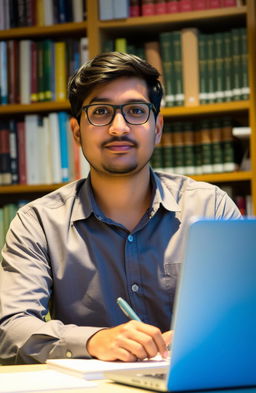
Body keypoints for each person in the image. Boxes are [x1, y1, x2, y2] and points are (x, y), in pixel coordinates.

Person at [0, 52, 241, 365]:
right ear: (76, 131)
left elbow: (244, 309)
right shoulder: (38, 222)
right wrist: (94, 340)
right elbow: (10, 328)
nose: (118, 127)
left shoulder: (211, 208)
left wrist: (197, 336)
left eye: (136, 111)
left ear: (157, 127)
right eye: (100, 112)